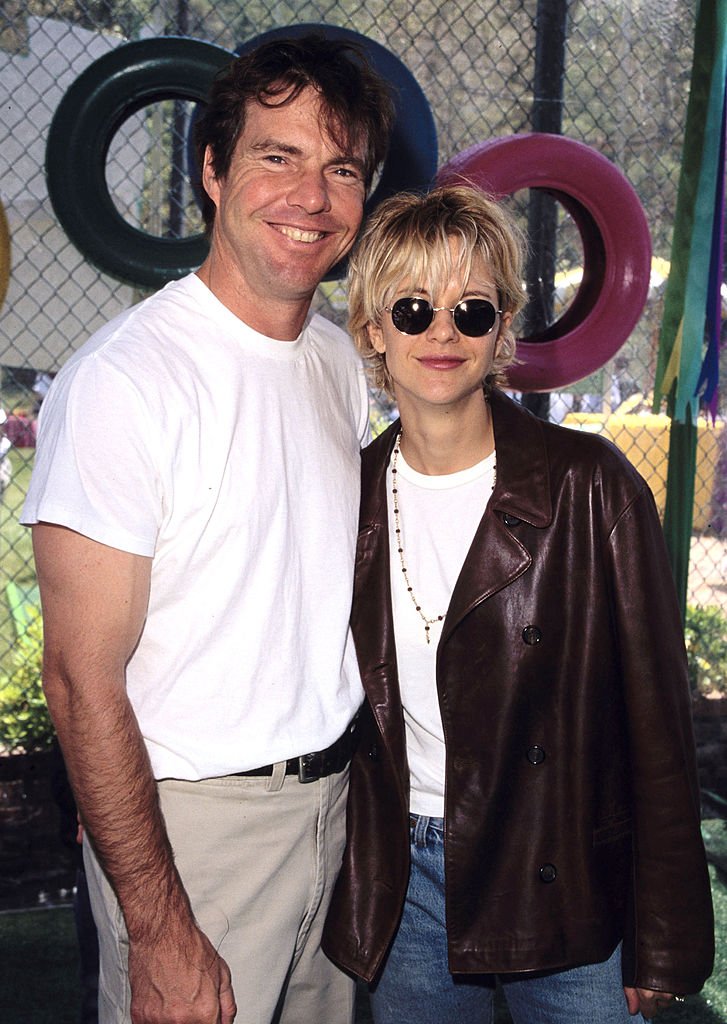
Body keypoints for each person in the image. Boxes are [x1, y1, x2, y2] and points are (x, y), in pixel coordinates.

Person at [22, 34, 393, 1024]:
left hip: (333, 809)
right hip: (194, 831)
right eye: (280, 156)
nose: (311, 195)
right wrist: (158, 922)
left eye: (341, 167)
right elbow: (77, 678)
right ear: (213, 170)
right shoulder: (127, 381)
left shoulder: (335, 362)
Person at [322, 185, 715, 1023]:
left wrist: (666, 933)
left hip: (565, 873)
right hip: (406, 881)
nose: (440, 333)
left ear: (502, 329)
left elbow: (657, 723)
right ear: (371, 328)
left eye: (470, 311)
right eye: (413, 307)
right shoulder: (342, 495)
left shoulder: (589, 487)